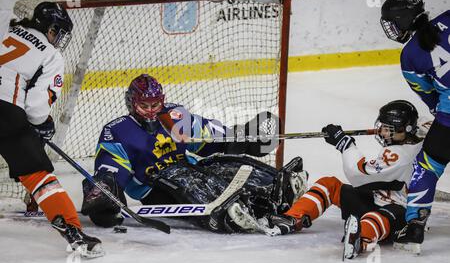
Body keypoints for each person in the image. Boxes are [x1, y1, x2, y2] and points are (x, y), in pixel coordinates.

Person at [81, 74, 309, 233]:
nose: (151, 112)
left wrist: (239, 139)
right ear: (132, 104)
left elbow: (206, 134)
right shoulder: (119, 130)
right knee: (184, 176)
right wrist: (106, 191)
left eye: (155, 104)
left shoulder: (172, 115)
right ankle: (231, 212)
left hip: (190, 169)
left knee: (221, 164)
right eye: (145, 106)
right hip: (155, 187)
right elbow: (111, 167)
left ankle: (273, 186)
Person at [0, 2, 103, 258]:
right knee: (39, 177)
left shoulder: (6, 31)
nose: (58, 39)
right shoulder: (50, 54)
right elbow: (36, 108)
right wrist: (41, 125)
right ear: (51, 28)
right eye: (58, 32)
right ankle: (73, 233)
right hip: (5, 114)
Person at [266, 100, 430, 259]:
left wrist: (344, 143)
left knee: (375, 218)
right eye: (384, 127)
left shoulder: (400, 155)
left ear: (405, 130)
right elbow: (428, 122)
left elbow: (358, 174)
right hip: (376, 197)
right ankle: (292, 218)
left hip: (401, 211)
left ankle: (360, 239)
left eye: (389, 130)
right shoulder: (420, 133)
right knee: (330, 185)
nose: (382, 132)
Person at [380, 0, 450, 253]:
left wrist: (439, 116)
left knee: (426, 166)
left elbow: (429, 95)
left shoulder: (409, 55)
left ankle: (414, 226)